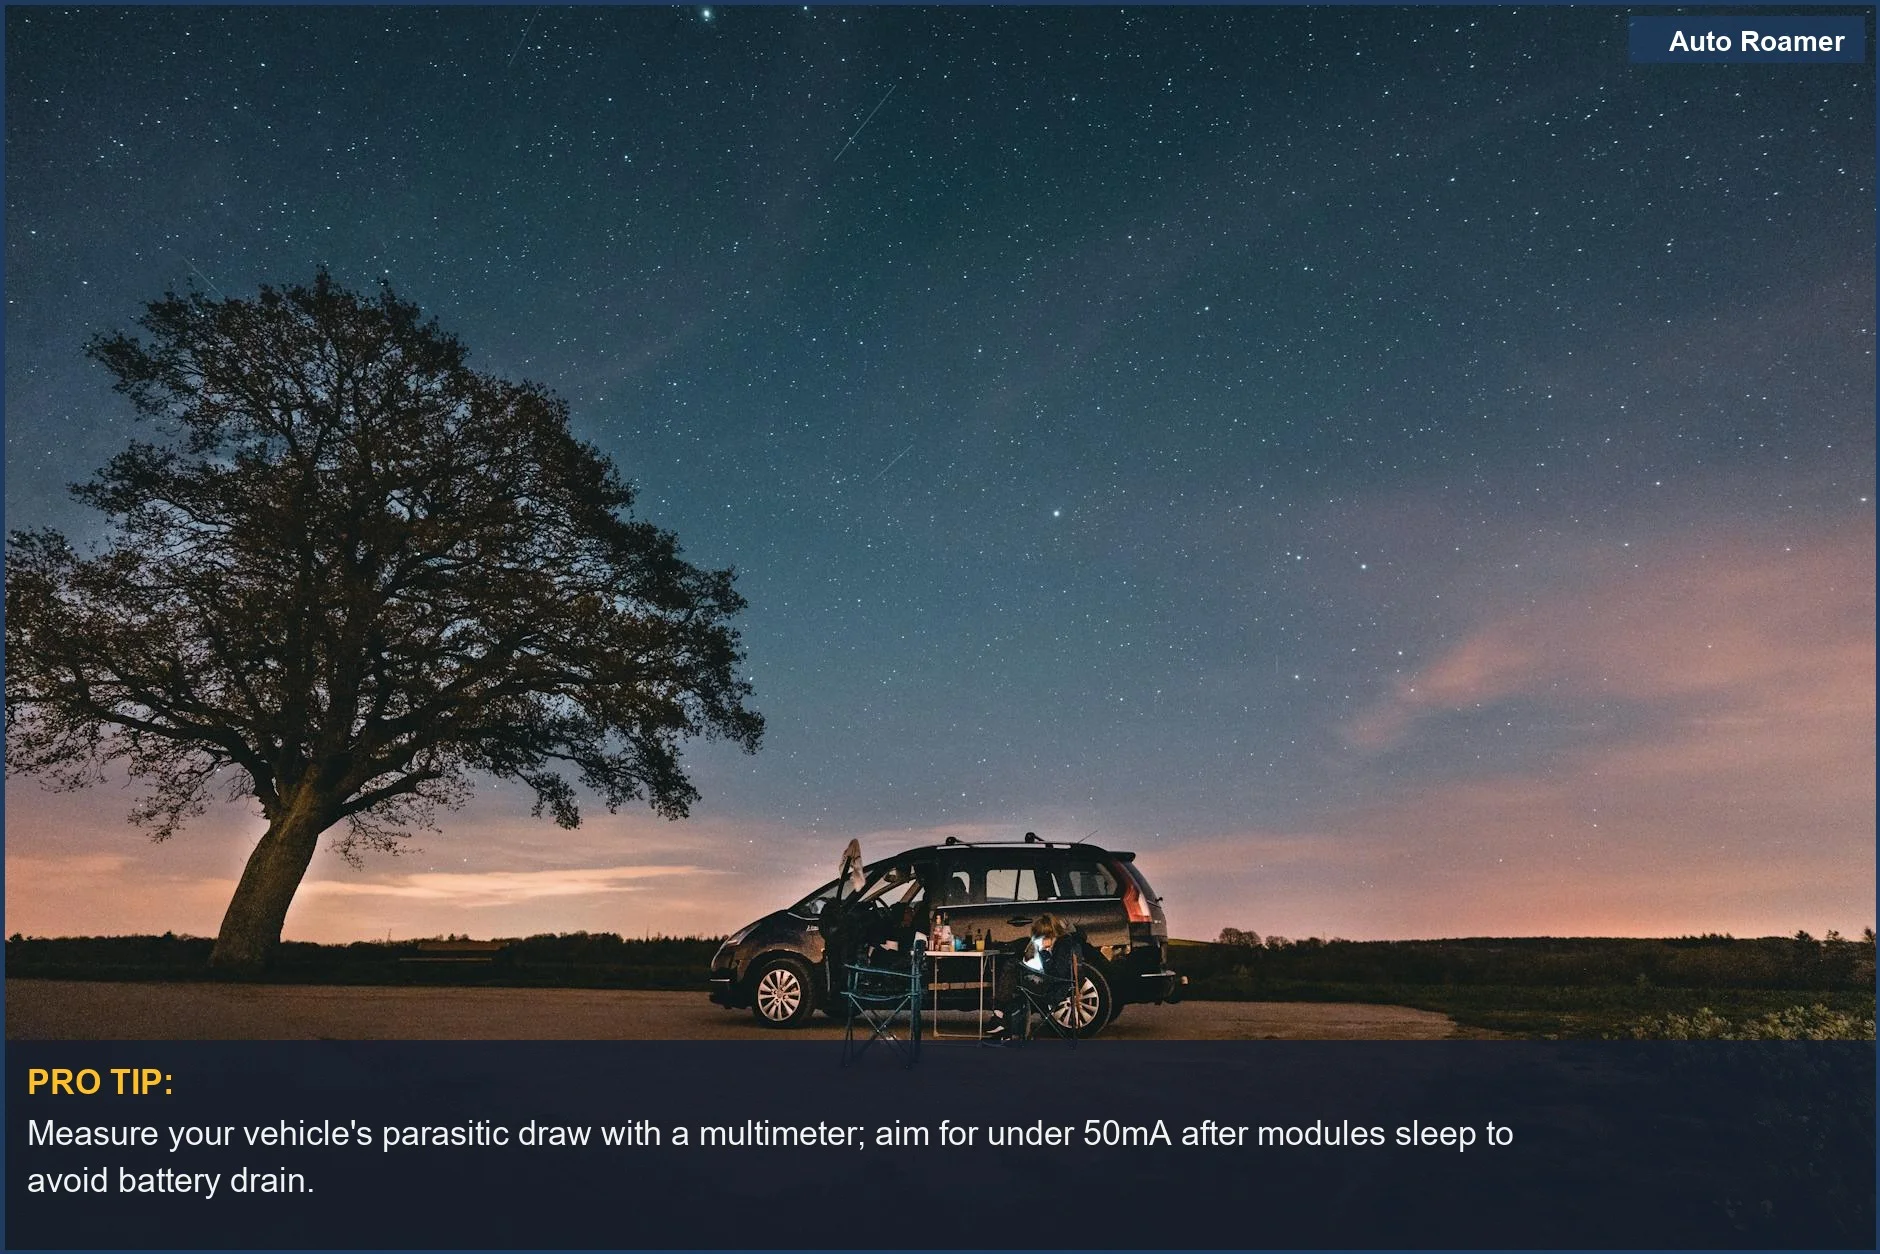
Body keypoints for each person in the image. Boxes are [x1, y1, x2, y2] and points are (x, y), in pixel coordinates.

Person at [982, 913, 1077, 1044]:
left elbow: (1056, 973)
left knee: (1012, 968)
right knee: (1013, 981)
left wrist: (1044, 952)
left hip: (1054, 988)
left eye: (1041, 937)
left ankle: (999, 1016)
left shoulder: (1063, 945)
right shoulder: (1059, 943)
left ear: (1049, 934)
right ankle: (1003, 1026)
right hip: (1049, 983)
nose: (1040, 941)